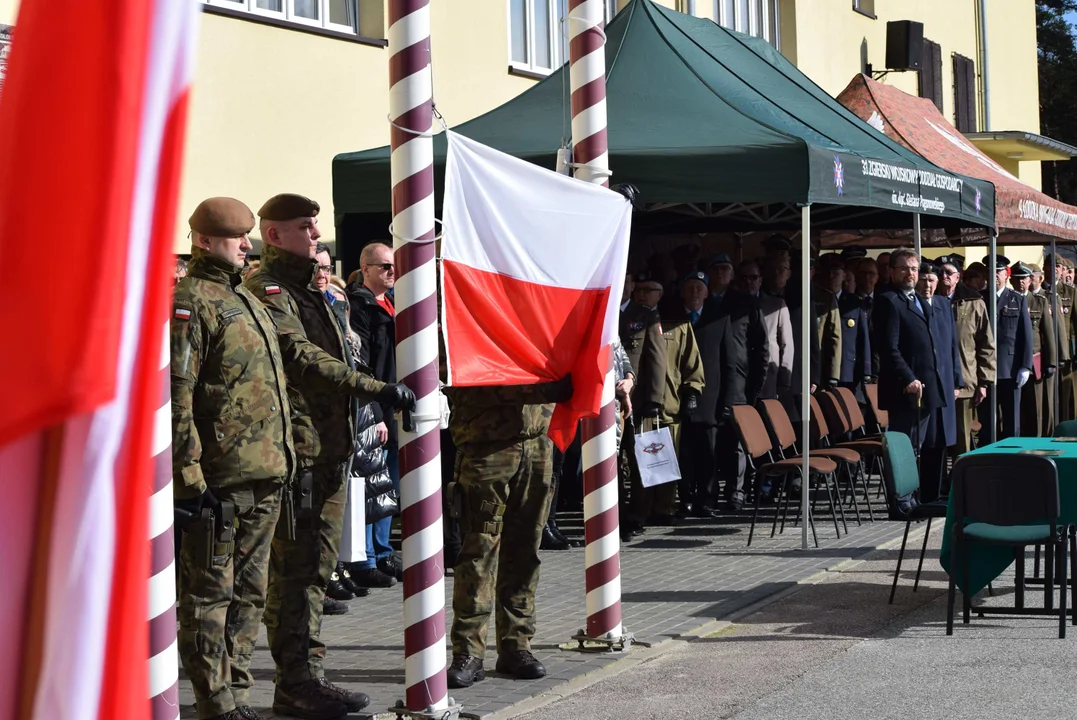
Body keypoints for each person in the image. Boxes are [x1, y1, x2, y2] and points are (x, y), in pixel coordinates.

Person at [246, 194, 415, 719]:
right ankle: (295, 683)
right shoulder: (269, 291)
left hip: (328, 448)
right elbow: (300, 356)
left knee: (315, 571)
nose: (316, 237)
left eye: (316, 229)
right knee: (295, 575)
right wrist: (374, 387)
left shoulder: (310, 289)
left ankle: (304, 680)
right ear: (273, 235)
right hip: (300, 454)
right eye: (305, 228)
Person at [172, 198, 294, 720]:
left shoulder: (242, 296)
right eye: (236, 237)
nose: (248, 245)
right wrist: (189, 477)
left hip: (264, 473)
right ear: (203, 240)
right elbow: (178, 396)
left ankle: (238, 694)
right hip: (220, 480)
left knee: (250, 593)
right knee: (208, 598)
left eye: (249, 236)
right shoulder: (191, 302)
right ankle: (214, 703)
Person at [443, 377, 572, 689]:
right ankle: (469, 651)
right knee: (479, 552)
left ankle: (517, 644)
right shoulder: (469, 326)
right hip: (488, 446)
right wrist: (539, 390)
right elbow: (460, 375)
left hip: (537, 443)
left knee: (525, 552)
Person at [873, 250, 948, 515]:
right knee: (903, 447)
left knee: (916, 446)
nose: (911, 273)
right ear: (892, 271)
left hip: (926, 387)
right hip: (905, 388)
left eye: (914, 268)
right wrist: (908, 378)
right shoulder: (888, 301)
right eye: (904, 268)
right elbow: (889, 348)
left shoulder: (918, 299)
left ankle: (911, 498)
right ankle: (900, 502)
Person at [346, 241, 404, 587]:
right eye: (384, 266)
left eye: (394, 266)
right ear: (366, 269)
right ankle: (366, 558)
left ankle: (383, 551)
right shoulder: (361, 306)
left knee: (389, 485)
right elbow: (364, 364)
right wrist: (376, 413)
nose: (391, 272)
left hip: (396, 404)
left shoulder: (393, 302)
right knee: (372, 483)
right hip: (377, 407)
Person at [706, 253, 768, 511]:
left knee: (735, 441)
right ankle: (708, 493)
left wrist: (755, 386)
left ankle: (736, 491)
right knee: (709, 440)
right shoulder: (703, 301)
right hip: (708, 381)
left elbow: (761, 348)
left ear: (732, 275)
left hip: (737, 382)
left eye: (726, 269)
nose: (721, 273)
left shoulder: (745, 304)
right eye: (716, 268)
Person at [678, 271, 730, 518]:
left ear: (707, 293)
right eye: (690, 288)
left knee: (708, 454)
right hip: (679, 397)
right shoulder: (672, 319)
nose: (694, 293)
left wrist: (727, 401)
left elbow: (729, 362)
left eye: (699, 288)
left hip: (710, 399)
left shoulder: (719, 319)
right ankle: (685, 498)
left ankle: (706, 499)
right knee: (684, 453)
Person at [619, 272, 667, 537]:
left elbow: (657, 359)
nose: (624, 287)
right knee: (611, 460)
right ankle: (615, 515)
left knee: (639, 460)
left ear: (633, 286)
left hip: (637, 401)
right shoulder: (603, 310)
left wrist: (655, 399)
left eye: (627, 282)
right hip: (608, 401)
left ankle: (637, 515)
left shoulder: (646, 315)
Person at [935, 254, 994, 455]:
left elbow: (986, 344)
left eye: (949, 272)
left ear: (958, 277)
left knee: (962, 437)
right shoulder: (927, 300)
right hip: (935, 381)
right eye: (940, 272)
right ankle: (938, 481)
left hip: (966, 380)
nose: (944, 276)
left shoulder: (974, 301)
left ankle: (960, 481)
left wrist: (984, 383)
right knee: (936, 439)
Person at [915, 262, 963, 501]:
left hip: (945, 382)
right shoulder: (913, 304)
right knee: (927, 441)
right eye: (923, 279)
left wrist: (957, 380)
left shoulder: (944, 304)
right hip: (924, 385)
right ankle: (924, 494)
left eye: (932, 280)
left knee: (943, 439)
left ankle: (936, 493)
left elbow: (953, 346)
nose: (928, 284)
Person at [978, 254, 1033, 443]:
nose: (994, 275)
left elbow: (1026, 335)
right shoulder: (980, 299)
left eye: (998, 271)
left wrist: (1026, 366)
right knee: (987, 420)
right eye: (990, 271)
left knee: (1011, 420)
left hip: (1010, 368)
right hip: (984, 369)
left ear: (1006, 275)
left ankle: (1012, 459)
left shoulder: (1016, 299)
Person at [1012, 261, 1056, 437]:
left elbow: (1048, 333)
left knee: (1036, 406)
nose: (1021, 282)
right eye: (1017, 279)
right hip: (1013, 360)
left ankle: (1037, 440)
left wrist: (1051, 361)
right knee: (1017, 407)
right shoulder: (1008, 301)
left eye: (1024, 279)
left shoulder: (1039, 301)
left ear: (1030, 280)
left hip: (1035, 361)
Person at [752, 257, 794, 402]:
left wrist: (784, 380)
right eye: (744, 278)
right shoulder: (733, 305)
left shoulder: (777, 304)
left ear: (760, 280)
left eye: (753, 277)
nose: (749, 282)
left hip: (769, 375)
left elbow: (787, 344)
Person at [1045, 253, 1076, 422]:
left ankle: (1065, 425)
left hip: (1066, 350)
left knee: (1066, 394)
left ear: (1062, 270)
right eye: (1050, 266)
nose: (1054, 270)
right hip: (1045, 350)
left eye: (1057, 267)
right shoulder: (1041, 291)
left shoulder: (1070, 292)